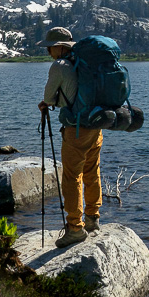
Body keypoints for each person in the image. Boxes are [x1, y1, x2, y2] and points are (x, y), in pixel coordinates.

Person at [37, 26, 103, 248]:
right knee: (92, 171)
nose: (49, 52)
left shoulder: (60, 65)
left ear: (59, 47)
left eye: (50, 48)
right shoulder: (85, 61)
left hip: (76, 129)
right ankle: (93, 217)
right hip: (97, 124)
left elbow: (49, 96)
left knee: (72, 176)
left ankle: (75, 228)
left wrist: (49, 103)